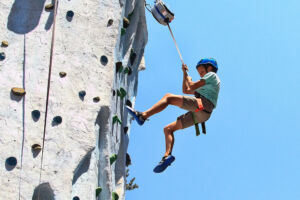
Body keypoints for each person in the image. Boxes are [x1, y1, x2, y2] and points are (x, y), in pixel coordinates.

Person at [126, 58, 221, 173]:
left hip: (204, 105)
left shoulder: (212, 75)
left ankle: (143, 116)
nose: (201, 75)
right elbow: (185, 90)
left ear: (209, 68)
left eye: (202, 72)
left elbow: (190, 85)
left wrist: (189, 79)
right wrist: (184, 74)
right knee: (168, 129)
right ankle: (167, 156)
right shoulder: (205, 86)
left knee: (168, 97)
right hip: (203, 115)